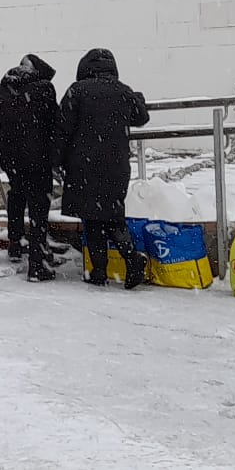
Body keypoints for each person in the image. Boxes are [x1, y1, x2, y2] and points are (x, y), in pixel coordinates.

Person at [58, 48, 151, 290]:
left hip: (84, 164)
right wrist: (138, 99)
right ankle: (131, 259)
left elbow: (63, 129)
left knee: (91, 217)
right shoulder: (123, 91)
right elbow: (141, 117)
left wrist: (57, 160)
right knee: (113, 215)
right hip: (116, 164)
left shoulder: (77, 91)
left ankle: (99, 271)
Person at [0, 55, 63, 281]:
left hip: (11, 157)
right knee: (39, 205)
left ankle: (15, 242)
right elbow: (56, 123)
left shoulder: (4, 87)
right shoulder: (44, 89)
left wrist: (11, 137)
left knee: (17, 195)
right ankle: (37, 262)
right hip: (37, 157)